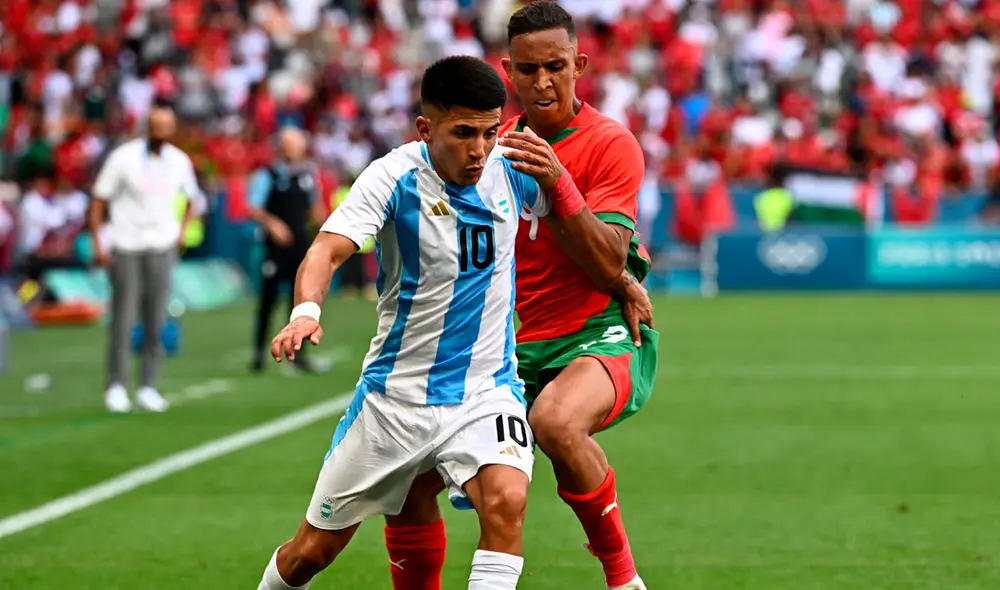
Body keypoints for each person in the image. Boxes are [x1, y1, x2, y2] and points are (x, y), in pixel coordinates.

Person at [382, 3, 658, 589]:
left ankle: (624, 580)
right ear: (508, 72)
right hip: (502, 353)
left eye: (555, 66)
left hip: (595, 333)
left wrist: (559, 185)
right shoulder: (488, 147)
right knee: (403, 482)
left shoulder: (610, 144)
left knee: (555, 423)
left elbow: (608, 257)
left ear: (578, 64)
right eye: (528, 70)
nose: (542, 81)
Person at [89, 99, 201, 414]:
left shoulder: (179, 161)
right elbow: (99, 200)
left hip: (161, 244)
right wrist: (99, 241)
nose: (161, 132)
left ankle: (148, 385)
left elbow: (192, 198)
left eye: (166, 127)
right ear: (146, 127)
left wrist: (181, 232)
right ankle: (116, 385)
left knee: (156, 319)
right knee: (123, 319)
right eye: (156, 126)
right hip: (126, 244)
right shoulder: (123, 159)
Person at [247, 126, 326, 372]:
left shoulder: (307, 175)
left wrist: (324, 233)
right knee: (268, 300)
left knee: (300, 302)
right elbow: (252, 207)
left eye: (295, 144)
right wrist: (273, 224)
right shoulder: (267, 175)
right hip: (275, 249)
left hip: (301, 248)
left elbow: (315, 207)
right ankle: (259, 353)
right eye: (287, 144)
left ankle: (298, 356)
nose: (292, 149)